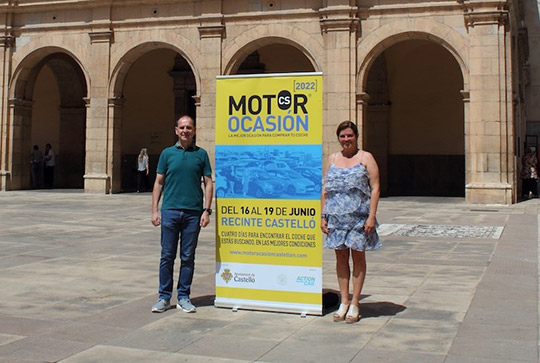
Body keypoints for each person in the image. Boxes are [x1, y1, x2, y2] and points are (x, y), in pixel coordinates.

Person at [151, 115, 213, 313]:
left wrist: (207, 210)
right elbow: (158, 182)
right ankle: (164, 297)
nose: (185, 131)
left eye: (189, 127)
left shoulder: (201, 154)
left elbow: (208, 182)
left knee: (187, 257)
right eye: (182, 127)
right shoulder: (167, 154)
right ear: (176, 130)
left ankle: (184, 296)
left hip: (193, 213)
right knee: (167, 255)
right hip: (170, 210)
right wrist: (155, 210)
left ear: (194, 130)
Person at [321, 120, 381, 324]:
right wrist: (323, 215)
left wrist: (371, 216)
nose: (346, 139)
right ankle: (344, 301)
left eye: (350, 135)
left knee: (357, 257)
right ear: (338, 138)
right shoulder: (332, 158)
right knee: (340, 259)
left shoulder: (366, 158)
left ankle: (355, 303)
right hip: (336, 218)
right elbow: (325, 188)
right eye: (342, 136)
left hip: (358, 218)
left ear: (356, 136)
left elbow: (375, 188)